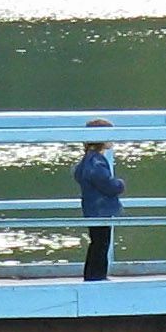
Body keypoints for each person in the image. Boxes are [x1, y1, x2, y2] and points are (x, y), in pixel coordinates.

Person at [73, 119, 122, 281]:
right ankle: (97, 276)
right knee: (101, 243)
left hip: (92, 208)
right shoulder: (96, 161)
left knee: (97, 242)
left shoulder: (87, 159)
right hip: (100, 209)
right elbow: (105, 183)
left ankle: (93, 274)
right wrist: (119, 185)